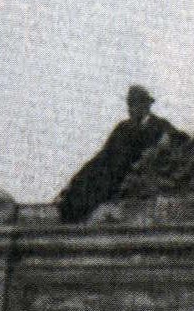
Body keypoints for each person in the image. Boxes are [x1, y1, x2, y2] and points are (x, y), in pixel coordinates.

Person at [57, 86, 187, 223]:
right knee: (86, 183)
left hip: (137, 172)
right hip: (115, 171)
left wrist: (164, 143)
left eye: (136, 103)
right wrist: (78, 178)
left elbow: (181, 139)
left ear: (146, 105)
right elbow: (104, 153)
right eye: (130, 104)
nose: (131, 108)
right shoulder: (122, 128)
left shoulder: (159, 125)